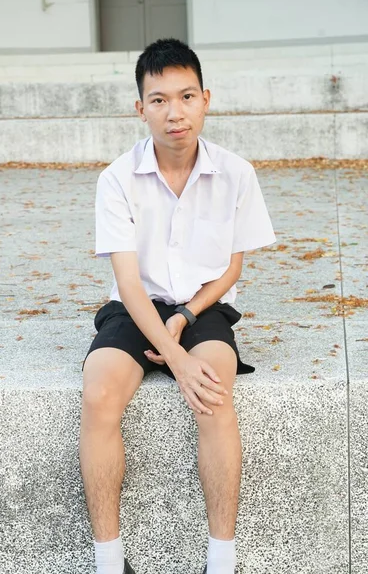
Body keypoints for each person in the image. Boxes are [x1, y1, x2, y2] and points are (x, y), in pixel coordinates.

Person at [79, 38, 276, 574]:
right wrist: (174, 353)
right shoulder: (116, 179)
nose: (175, 112)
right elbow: (126, 279)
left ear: (206, 99)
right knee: (97, 392)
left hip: (205, 305)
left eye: (186, 96)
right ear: (139, 108)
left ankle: (222, 560)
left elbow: (231, 270)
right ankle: (109, 561)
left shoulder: (237, 173)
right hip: (134, 306)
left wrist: (187, 319)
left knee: (213, 389)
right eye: (159, 99)